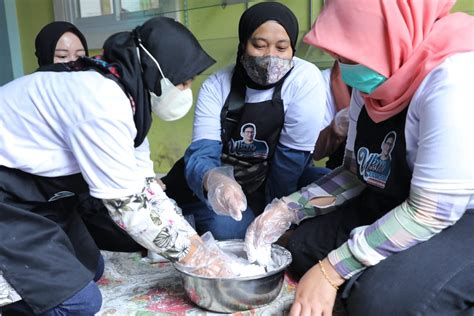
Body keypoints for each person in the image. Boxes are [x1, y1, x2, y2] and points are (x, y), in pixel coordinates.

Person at [0, 17, 256, 315]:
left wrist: (194, 241)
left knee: (92, 269)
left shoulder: (127, 98)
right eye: (184, 81)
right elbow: (128, 206)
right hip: (8, 195)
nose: (187, 90)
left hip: (40, 195)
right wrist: (195, 257)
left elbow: (145, 185)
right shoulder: (101, 102)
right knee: (79, 304)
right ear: (158, 71)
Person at [244, 0, 474, 315]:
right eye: (340, 56)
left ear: (387, 36)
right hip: (404, 200)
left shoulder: (453, 78)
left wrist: (332, 270)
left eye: (350, 56)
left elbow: (430, 212)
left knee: (380, 302)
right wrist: (288, 210)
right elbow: (354, 173)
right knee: (300, 248)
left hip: (457, 216)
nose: (346, 68)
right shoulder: (377, 81)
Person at [163, 2, 330, 240]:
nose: (270, 56)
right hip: (233, 187)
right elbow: (202, 154)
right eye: (259, 46)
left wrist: (276, 216)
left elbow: (291, 159)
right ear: (243, 45)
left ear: (293, 49)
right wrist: (216, 181)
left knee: (325, 183)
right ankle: (194, 217)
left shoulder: (305, 79)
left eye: (282, 48)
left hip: (280, 177)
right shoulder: (217, 85)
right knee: (229, 229)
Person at [34, 21, 146, 253]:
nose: (73, 62)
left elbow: (129, 142)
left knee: (137, 232)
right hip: (48, 197)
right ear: (45, 56)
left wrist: (147, 178)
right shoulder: (35, 97)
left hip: (91, 192)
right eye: (62, 55)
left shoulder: (97, 91)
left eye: (80, 55)